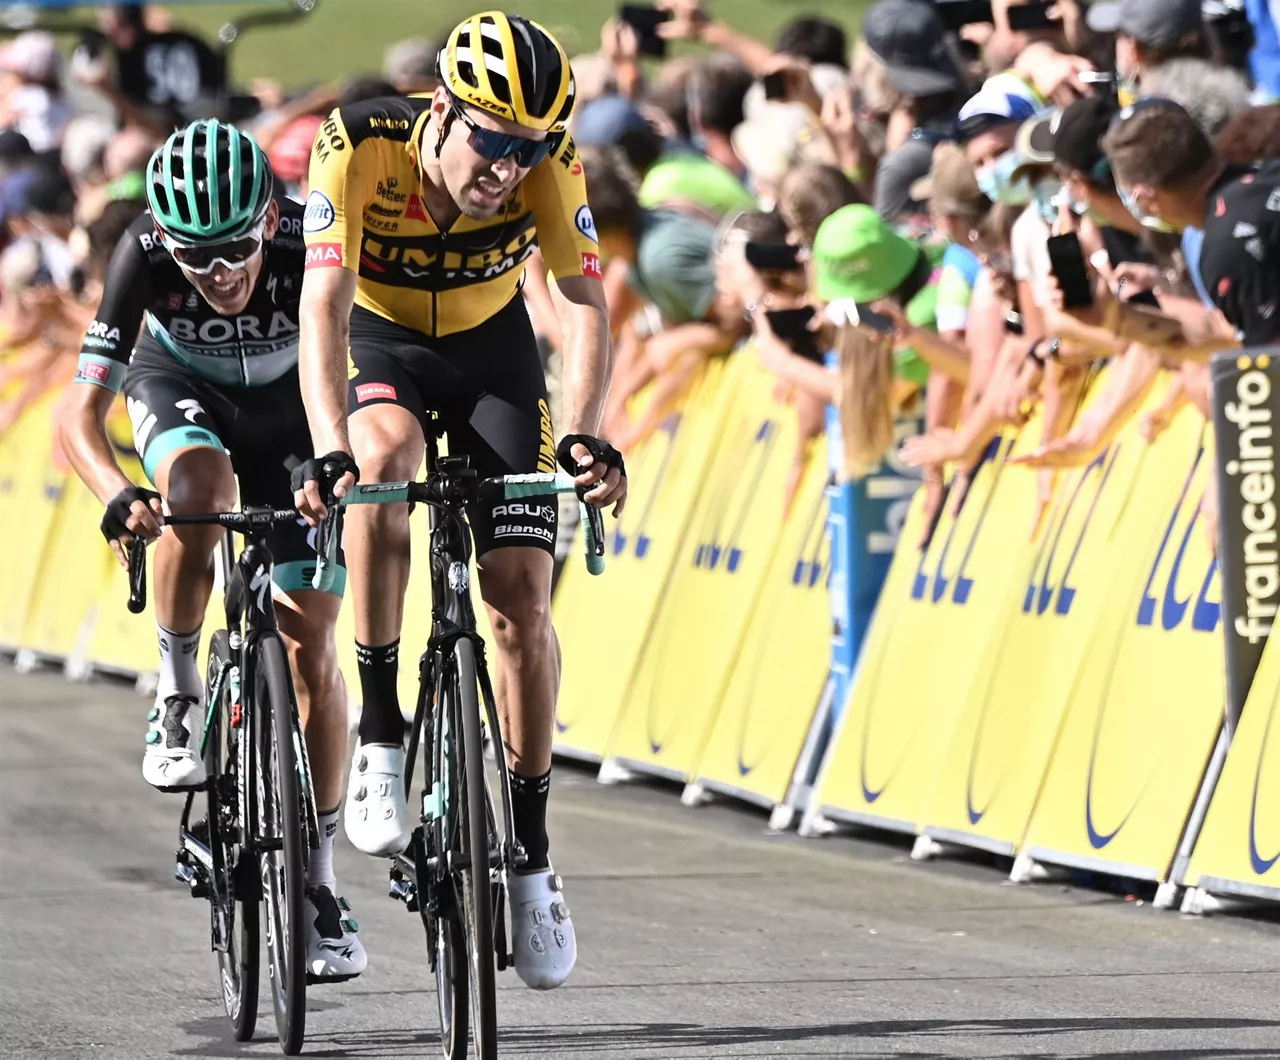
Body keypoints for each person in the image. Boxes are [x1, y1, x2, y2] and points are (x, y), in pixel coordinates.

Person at [291, 12, 627, 992]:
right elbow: (321, 306)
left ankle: (531, 859)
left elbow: (583, 302)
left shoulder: (551, 161)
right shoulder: (358, 143)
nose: (507, 168)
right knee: (384, 455)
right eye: (491, 141)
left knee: (520, 602)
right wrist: (327, 442)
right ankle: (381, 731)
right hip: (381, 343)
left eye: (526, 149)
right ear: (441, 108)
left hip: (491, 353)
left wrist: (586, 431)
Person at [58, 119, 366, 982]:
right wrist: (117, 492)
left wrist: (344, 452)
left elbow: (373, 357)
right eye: (197, 257)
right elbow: (78, 415)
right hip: (181, 387)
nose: (221, 272)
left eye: (235, 249)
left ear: (269, 218)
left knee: (312, 648)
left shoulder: (309, 236)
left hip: (298, 413)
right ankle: (179, 688)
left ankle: (319, 877)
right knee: (195, 491)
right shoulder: (142, 250)